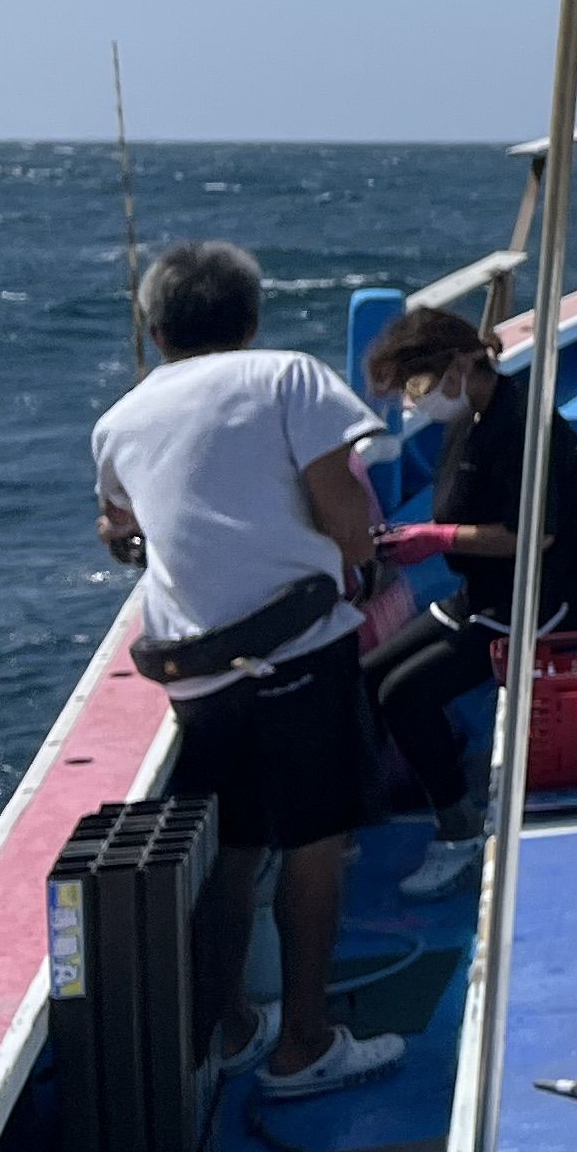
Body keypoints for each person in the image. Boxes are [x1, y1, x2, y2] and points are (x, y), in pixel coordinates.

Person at [90, 239, 407, 1100]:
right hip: (296, 651)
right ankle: (304, 1045)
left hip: (194, 674)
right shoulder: (288, 377)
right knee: (315, 846)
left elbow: (120, 527)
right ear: (251, 318)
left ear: (156, 333)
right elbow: (345, 513)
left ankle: (228, 1029)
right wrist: (363, 562)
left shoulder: (117, 422)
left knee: (234, 851)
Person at [358, 305, 577, 899]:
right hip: (484, 593)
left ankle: (459, 833)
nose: (415, 401)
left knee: (404, 693)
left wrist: (436, 539)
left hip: (544, 598)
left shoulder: (522, 425)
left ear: (460, 366)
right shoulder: (469, 418)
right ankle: (430, 776)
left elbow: (534, 535)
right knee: (367, 678)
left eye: (418, 385)